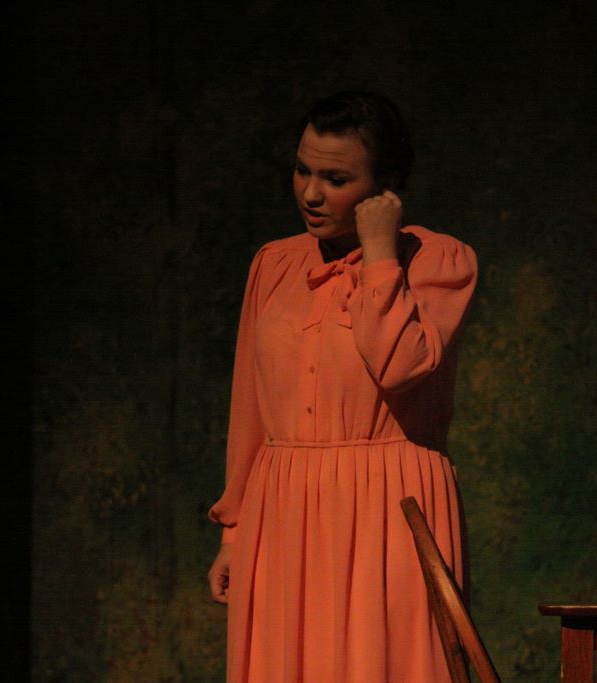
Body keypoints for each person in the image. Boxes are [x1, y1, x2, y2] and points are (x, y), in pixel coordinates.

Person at [207, 91, 478, 682]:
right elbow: (250, 406)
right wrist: (235, 531)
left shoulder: (438, 261)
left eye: (335, 179)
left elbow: (399, 368)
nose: (310, 193)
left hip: (388, 503)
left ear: (386, 186)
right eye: (302, 170)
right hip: (284, 506)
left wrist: (379, 254)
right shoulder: (274, 264)